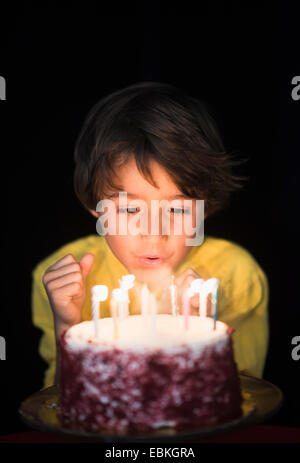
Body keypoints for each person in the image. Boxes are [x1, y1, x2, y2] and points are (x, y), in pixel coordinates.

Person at [32, 82, 269, 388]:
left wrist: (199, 334)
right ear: (95, 205)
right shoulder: (62, 283)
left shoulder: (236, 275)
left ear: (204, 209)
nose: (155, 234)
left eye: (178, 211)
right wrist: (67, 325)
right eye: (130, 211)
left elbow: (242, 396)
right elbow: (62, 402)